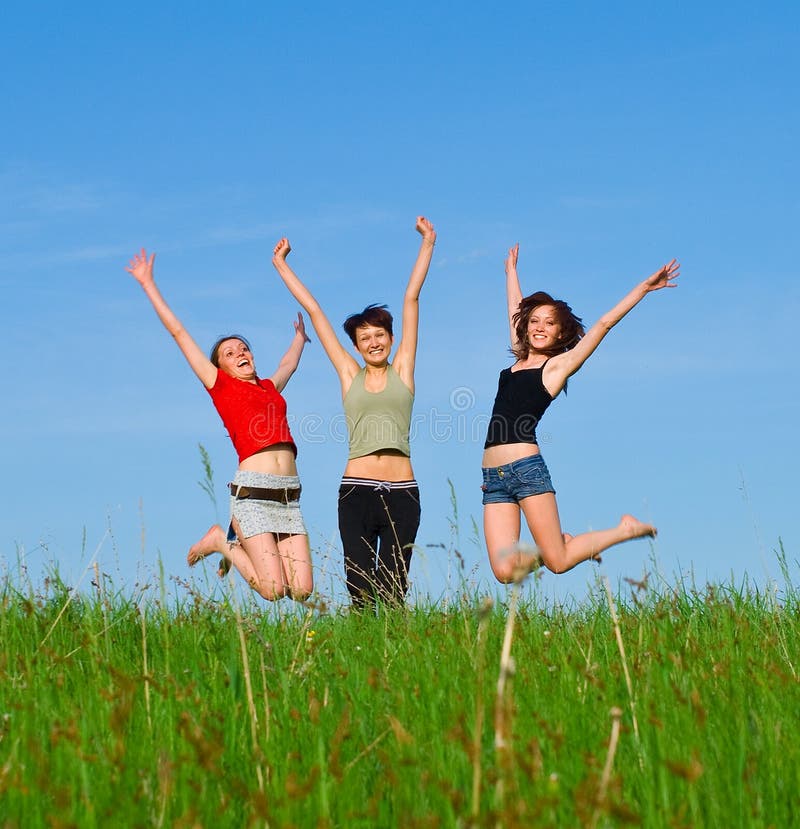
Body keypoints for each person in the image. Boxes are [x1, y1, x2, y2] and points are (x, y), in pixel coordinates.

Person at [482, 244, 680, 581]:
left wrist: (643, 289)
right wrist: (511, 272)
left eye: (549, 323)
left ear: (561, 332)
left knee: (558, 563)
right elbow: (515, 312)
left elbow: (603, 323)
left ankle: (624, 530)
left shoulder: (556, 368)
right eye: (534, 321)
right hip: (492, 478)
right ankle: (558, 544)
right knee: (504, 572)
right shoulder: (517, 361)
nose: (540, 327)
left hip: (526, 470)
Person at [125, 248, 313, 601]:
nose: (241, 353)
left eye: (244, 348)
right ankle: (220, 542)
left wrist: (300, 339)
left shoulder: (269, 389)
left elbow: (287, 366)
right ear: (220, 366)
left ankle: (225, 541)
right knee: (274, 590)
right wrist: (149, 284)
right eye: (230, 352)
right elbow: (179, 333)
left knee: (301, 591)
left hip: (289, 494)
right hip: (253, 494)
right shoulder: (221, 388)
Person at [271, 217, 436, 609]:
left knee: (394, 589)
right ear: (357, 347)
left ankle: (394, 656)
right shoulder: (349, 375)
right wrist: (281, 265)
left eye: (380, 335)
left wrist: (427, 242)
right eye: (365, 339)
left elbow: (411, 298)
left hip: (402, 493)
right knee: (360, 587)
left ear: (391, 339)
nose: (374, 342)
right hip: (356, 492)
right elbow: (314, 311)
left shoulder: (404, 370)